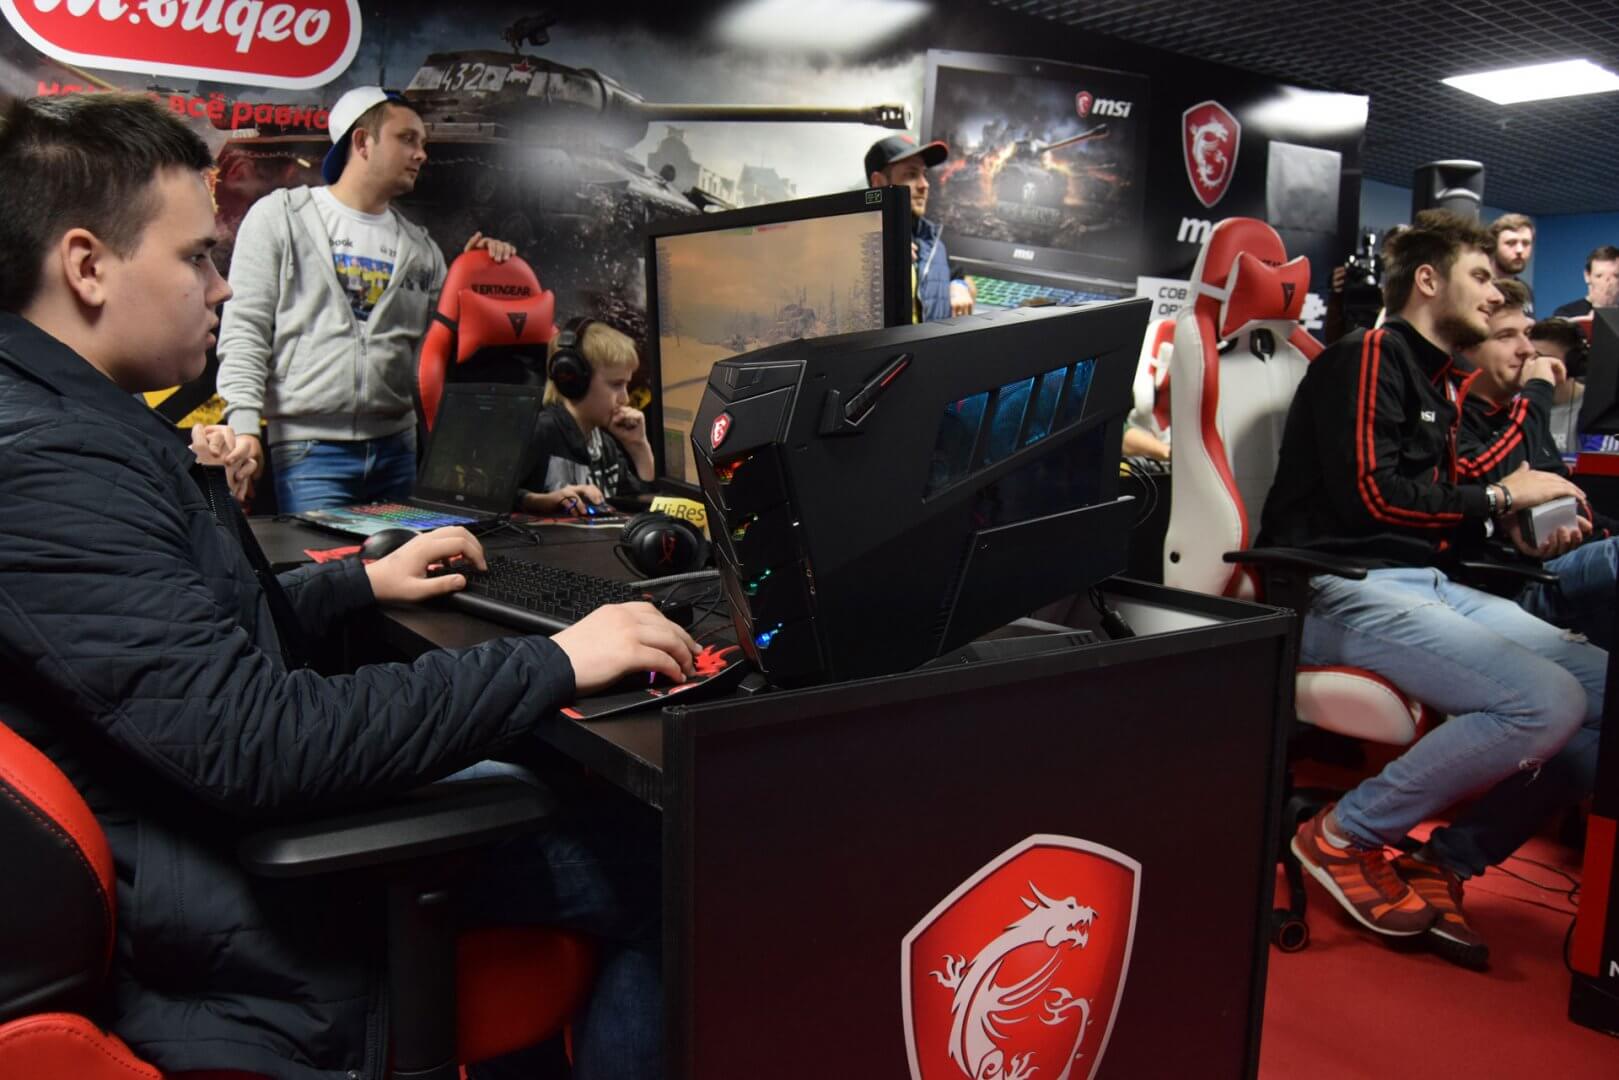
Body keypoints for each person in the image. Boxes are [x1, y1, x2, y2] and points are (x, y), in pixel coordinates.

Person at [0, 92, 691, 1079]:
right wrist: (554, 660)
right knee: (673, 858)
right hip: (251, 917)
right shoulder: (52, 463)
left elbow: (197, 640)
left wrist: (362, 585)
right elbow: (257, 738)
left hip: (197, 850)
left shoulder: (69, 422)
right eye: (196, 257)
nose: (222, 288)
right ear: (86, 266)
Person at [1258, 210, 1605, 971]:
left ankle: (1441, 859)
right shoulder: (1368, 356)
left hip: (1425, 582)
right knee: (1546, 702)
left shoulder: (1438, 380)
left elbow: (1440, 502)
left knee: (1604, 688)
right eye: (1479, 277)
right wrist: (1501, 496)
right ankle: (1344, 833)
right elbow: (1370, 500)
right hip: (1338, 588)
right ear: (1426, 280)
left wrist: (1506, 521)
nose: (1494, 294)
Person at [216, 86, 515, 512]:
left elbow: (443, 346)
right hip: (309, 451)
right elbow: (246, 327)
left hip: (398, 449)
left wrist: (479, 272)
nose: (421, 154)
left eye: (423, 143)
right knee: (323, 557)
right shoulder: (281, 217)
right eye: (406, 138)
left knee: (406, 556)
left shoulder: (421, 249)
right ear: (362, 142)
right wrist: (244, 424)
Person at [1454, 278, 1617, 645]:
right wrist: (1538, 391)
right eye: (1505, 336)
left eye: (1527, 334)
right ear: (1464, 349)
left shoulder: (1520, 414)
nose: (1527, 350)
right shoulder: (1455, 415)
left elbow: (1569, 494)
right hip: (1508, 587)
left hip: (1557, 563)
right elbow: (1488, 475)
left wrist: (1575, 519)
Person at [517, 319, 655, 516]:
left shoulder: (604, 444)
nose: (625, 398)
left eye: (626, 385)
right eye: (616, 385)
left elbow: (641, 508)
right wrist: (538, 501)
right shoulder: (541, 431)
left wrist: (639, 447)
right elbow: (493, 500)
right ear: (574, 380)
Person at [864, 134, 974, 321]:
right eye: (911, 174)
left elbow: (956, 272)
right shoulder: (854, 242)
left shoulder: (929, 237)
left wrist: (959, 286)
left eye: (924, 174)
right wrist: (881, 258)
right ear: (879, 183)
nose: (925, 185)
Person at [1552, 243, 1619, 318]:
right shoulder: (1566, 314)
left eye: (1616, 276)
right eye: (1599, 276)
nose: (1607, 284)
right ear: (1587, 276)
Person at [1486, 212, 1535, 315]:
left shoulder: (1525, 290)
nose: (1519, 250)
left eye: (1525, 243)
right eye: (1511, 243)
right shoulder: (1480, 286)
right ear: (1494, 245)